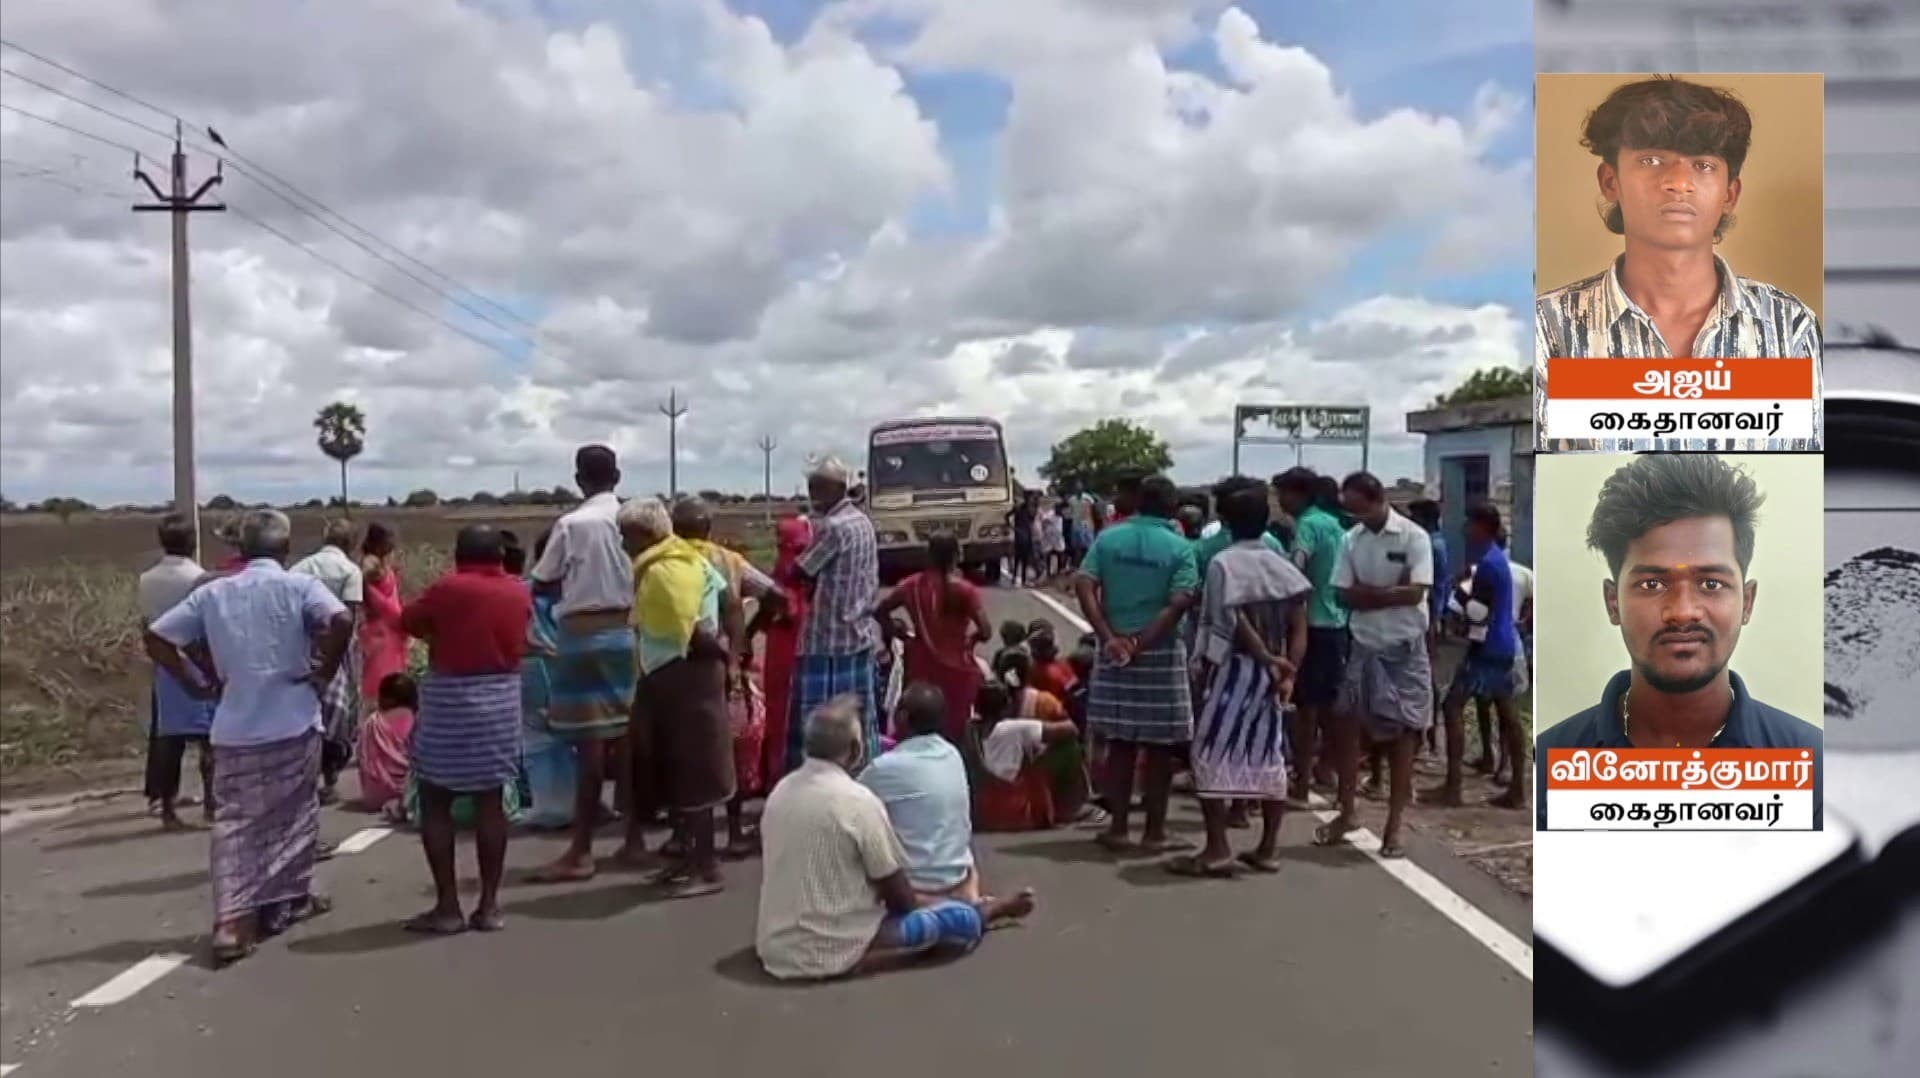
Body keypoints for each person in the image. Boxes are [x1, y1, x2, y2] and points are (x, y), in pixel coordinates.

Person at [1535, 76, 1823, 452]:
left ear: (1729, 194)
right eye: (1651, 160)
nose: (1678, 182)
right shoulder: (1546, 330)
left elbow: (1809, 487)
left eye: (1703, 165)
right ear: (1611, 182)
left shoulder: (1791, 328)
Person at [1536, 454, 1822, 829]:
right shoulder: (1549, 764)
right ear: (1613, 602)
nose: (1683, 611)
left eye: (1711, 584)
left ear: (1747, 602)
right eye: (1652, 584)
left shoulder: (1813, 769)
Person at [144, 509, 352, 965]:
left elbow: (158, 637)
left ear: (241, 549)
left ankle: (238, 919)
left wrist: (196, 681)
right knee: (295, 815)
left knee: (237, 823)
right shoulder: (300, 586)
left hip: (234, 725)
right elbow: (340, 622)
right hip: (294, 720)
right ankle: (278, 903)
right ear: (284, 549)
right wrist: (325, 671)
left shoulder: (214, 592)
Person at [754, 696, 1036, 981]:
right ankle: (989, 909)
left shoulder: (780, 792)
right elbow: (901, 900)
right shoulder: (858, 801)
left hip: (775, 947)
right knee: (958, 920)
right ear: (854, 749)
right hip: (833, 950)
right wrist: (939, 901)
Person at [397, 524, 530, 933]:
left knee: (436, 799)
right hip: (501, 698)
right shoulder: (518, 590)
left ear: (459, 554)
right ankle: (489, 907)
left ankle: (448, 907)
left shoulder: (447, 588)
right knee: (491, 802)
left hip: (450, 698)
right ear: (499, 556)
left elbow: (410, 621)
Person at [1174, 481, 1311, 876]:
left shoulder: (1224, 564)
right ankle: (1268, 848)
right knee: (1268, 755)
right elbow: (1299, 626)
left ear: (1227, 522)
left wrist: (1263, 657)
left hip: (1234, 669)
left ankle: (1217, 847)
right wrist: (1288, 668)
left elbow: (1232, 619)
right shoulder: (1282, 564)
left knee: (1209, 753)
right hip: (1277, 673)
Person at [527, 445, 637, 883]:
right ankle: (633, 840)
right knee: (626, 737)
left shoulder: (573, 524)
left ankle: (582, 850)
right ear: (618, 476)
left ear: (578, 479)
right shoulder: (633, 518)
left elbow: (542, 579)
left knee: (590, 745)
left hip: (582, 635)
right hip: (627, 633)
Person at [1075, 473, 1200, 854]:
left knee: (1120, 741)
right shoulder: (1181, 548)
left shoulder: (1108, 538)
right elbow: (1179, 602)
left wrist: (1109, 638)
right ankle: (1155, 832)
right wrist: (1140, 642)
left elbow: (1084, 584)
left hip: (1114, 650)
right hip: (1159, 652)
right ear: (1171, 508)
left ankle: (1118, 828)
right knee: (1160, 746)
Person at [621, 497, 739, 898]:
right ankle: (686, 860)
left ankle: (705, 868)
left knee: (695, 774)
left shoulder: (668, 569)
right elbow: (726, 600)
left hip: (685, 680)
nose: (623, 544)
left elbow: (691, 629)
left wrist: (721, 652)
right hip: (674, 678)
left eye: (626, 536)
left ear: (643, 534)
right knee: (675, 772)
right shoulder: (683, 559)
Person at [1318, 472, 1434, 859]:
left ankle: (1394, 824)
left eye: (1359, 508)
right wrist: (1389, 594)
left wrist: (1369, 593)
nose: (1355, 517)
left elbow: (1416, 591)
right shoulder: (1351, 539)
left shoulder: (1413, 537)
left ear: (1377, 498)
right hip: (1364, 645)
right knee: (1348, 729)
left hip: (1404, 649)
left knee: (1405, 736)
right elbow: (1341, 594)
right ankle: (1348, 811)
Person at [671, 497, 786, 858]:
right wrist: (750, 633)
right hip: (726, 663)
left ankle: (681, 835)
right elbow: (777, 596)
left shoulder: (666, 559)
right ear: (709, 528)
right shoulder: (728, 560)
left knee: (683, 752)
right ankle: (734, 832)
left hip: (676, 665)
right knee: (731, 747)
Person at [783, 455, 883, 771]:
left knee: (817, 721)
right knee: (859, 718)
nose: (812, 495)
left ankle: (816, 780)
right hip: (859, 633)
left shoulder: (832, 527)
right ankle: (861, 772)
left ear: (837, 488)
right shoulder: (862, 521)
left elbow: (800, 571)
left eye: (818, 488)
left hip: (827, 639)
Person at [1428, 502, 1524, 810]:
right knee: (1508, 714)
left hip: (1488, 649)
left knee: (1452, 704)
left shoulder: (1487, 565)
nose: (1465, 529)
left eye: (1470, 522)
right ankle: (1518, 789)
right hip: (1505, 644)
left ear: (1483, 527)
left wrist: (1456, 624)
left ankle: (1454, 786)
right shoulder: (1494, 560)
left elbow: (1476, 612)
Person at [1269, 469, 1348, 805]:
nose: (1280, 502)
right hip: (1337, 622)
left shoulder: (1308, 526)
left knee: (1306, 711)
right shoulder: (1334, 524)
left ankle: (1301, 787)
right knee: (1330, 707)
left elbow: (1296, 567)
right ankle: (1330, 774)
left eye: (1283, 494)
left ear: (1298, 493)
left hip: (1312, 624)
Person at [859, 683, 979, 900]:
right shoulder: (952, 755)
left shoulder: (883, 768)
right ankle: (972, 909)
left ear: (902, 717)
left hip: (912, 890)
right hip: (958, 879)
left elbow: (849, 807)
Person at [870, 533, 991, 741]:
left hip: (920, 665)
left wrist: (901, 633)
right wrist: (971, 641)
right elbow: (986, 631)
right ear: (956, 556)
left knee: (918, 728)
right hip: (959, 670)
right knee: (956, 731)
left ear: (929, 555)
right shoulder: (965, 590)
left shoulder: (911, 585)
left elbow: (880, 612)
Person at [138, 514, 216, 830]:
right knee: (210, 738)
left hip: (165, 664)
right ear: (192, 542)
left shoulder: (147, 579)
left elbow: (146, 625)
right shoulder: (201, 578)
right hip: (197, 661)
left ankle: (167, 808)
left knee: (169, 739)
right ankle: (213, 803)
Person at [290, 518, 365, 804]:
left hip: (305, 646)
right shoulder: (350, 571)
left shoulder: (301, 568)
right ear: (349, 543)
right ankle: (330, 777)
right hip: (337, 647)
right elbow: (348, 614)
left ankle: (307, 775)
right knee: (339, 712)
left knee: (309, 711)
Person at [967, 677, 1088, 832]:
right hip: (1012, 810)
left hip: (983, 811)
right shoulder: (1015, 728)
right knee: (1069, 747)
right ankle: (1068, 809)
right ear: (1006, 707)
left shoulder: (970, 729)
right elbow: (1071, 730)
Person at [751, 515, 813, 789]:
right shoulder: (812, 575)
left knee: (779, 714)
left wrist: (746, 636)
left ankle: (776, 777)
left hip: (782, 656)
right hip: (805, 652)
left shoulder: (781, 577)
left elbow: (767, 613)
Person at [358, 522, 407, 711]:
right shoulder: (370, 563)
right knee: (380, 684)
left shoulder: (381, 562)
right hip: (380, 632)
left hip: (388, 631)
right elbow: (371, 595)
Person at [355, 672, 417, 813]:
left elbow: (361, 757)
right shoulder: (415, 719)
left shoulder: (372, 722)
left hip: (374, 796)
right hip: (407, 790)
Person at [1009, 490, 1039, 586]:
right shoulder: (1021, 507)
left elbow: (1032, 519)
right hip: (1023, 534)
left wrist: (1013, 527)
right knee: (1020, 558)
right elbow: (1007, 516)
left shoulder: (1028, 508)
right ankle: (1018, 578)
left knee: (1022, 558)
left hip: (1025, 534)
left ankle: (1020, 579)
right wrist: (1013, 527)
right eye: (1030, 497)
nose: (1030, 499)